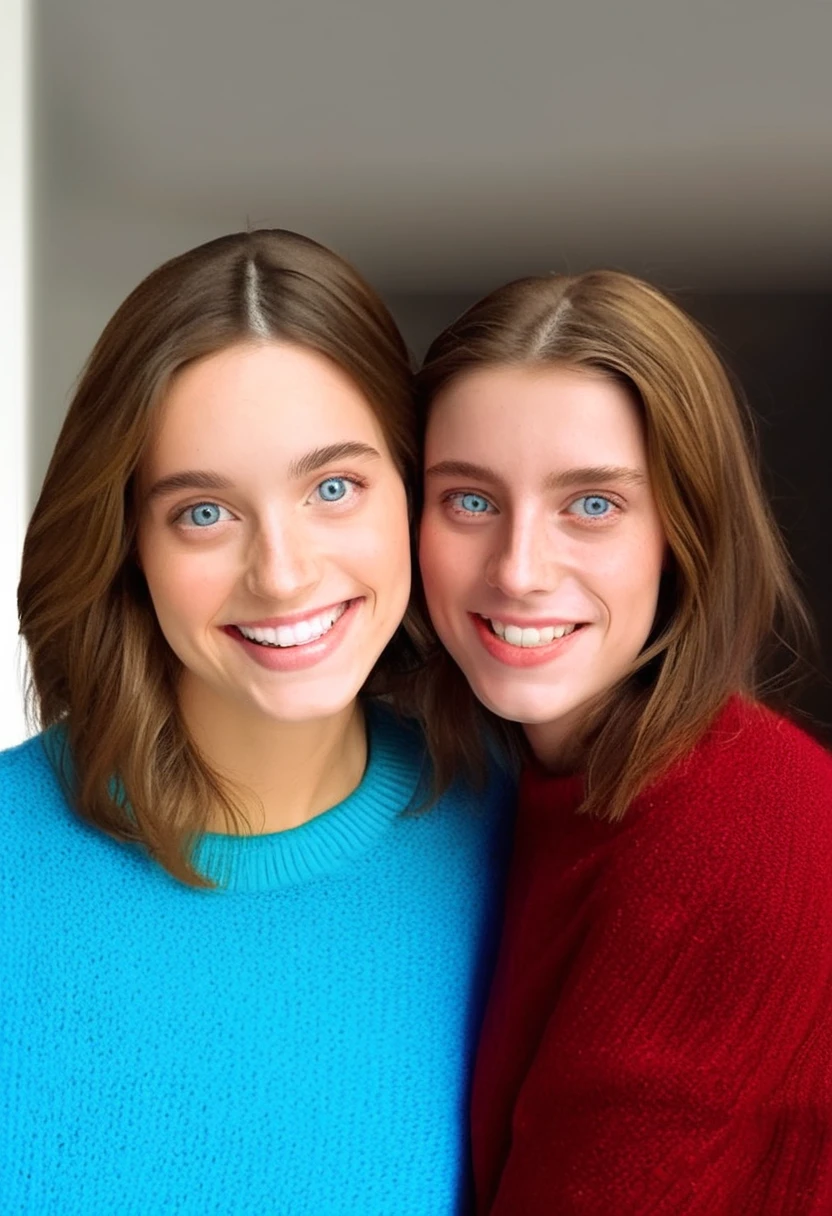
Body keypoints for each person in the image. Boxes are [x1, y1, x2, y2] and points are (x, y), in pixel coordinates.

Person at [0, 230, 512, 1214]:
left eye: (332, 488)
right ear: (128, 546)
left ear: (413, 493)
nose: (280, 571)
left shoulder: (528, 843)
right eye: (203, 512)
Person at [416, 269, 832, 1214]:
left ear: (682, 531)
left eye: (592, 504)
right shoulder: (508, 794)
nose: (519, 570)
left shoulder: (742, 830)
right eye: (469, 501)